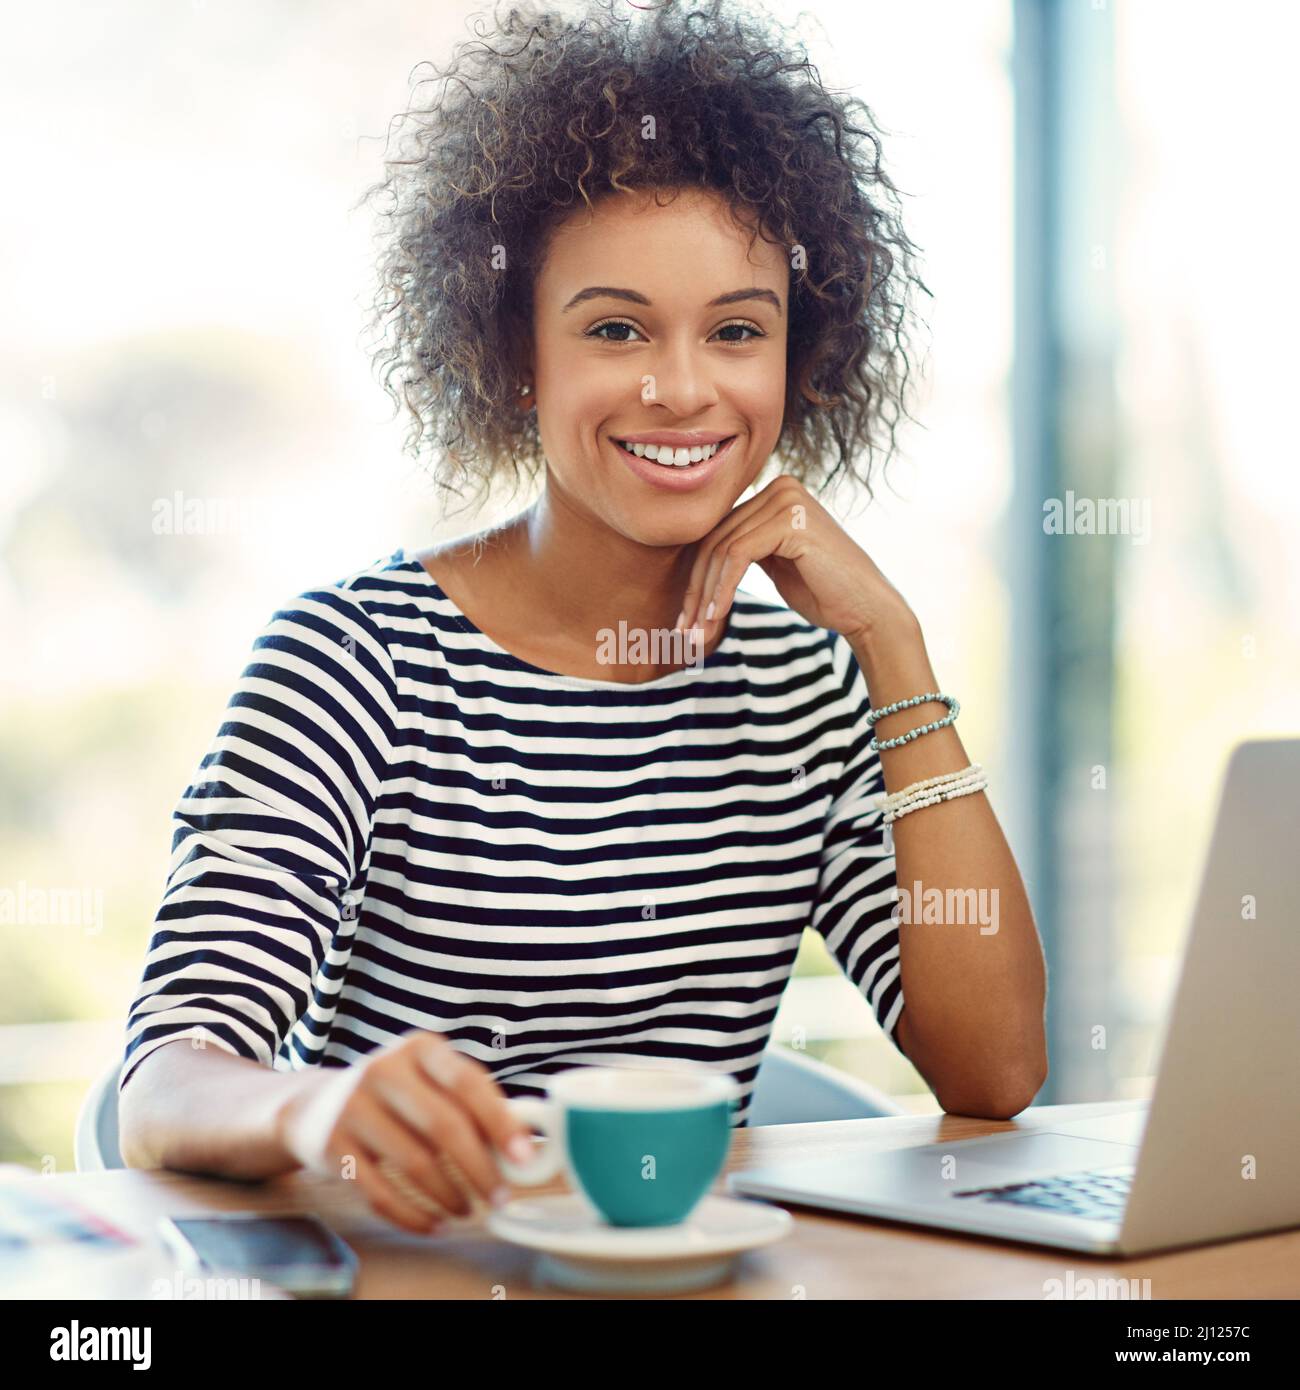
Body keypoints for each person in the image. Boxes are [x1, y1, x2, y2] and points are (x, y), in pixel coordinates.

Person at [118, 0, 1047, 1236]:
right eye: (615, 329)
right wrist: (316, 1110)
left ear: (796, 357)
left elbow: (993, 1072)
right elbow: (167, 1077)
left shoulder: (807, 690)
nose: (680, 387)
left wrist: (894, 647)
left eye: (736, 332)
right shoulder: (353, 659)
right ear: (516, 354)